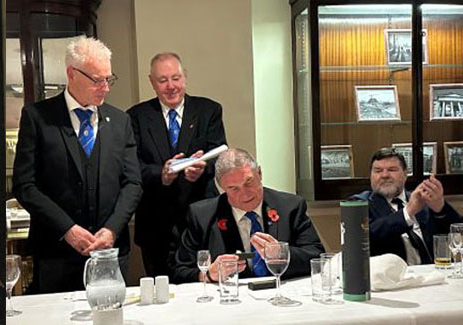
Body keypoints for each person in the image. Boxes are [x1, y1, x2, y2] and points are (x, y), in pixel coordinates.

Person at [13, 36, 142, 293]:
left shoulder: (120, 121)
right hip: (56, 252)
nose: (105, 87)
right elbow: (25, 185)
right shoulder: (38, 117)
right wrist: (68, 229)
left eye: (108, 79)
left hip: (111, 250)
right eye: (97, 80)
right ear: (72, 74)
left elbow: (133, 183)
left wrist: (112, 230)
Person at [127, 52, 227, 277]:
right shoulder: (136, 117)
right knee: (160, 294)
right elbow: (131, 167)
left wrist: (202, 169)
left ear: (185, 78)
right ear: (152, 82)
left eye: (176, 78)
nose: (171, 86)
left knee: (204, 288)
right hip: (155, 222)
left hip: (200, 218)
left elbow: (220, 157)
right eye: (163, 80)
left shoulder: (208, 110)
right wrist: (160, 174)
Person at [173, 148, 324, 283]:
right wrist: (208, 275)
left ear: (259, 173)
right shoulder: (202, 215)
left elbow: (318, 257)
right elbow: (180, 271)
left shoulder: (290, 206)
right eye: (234, 189)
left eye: (249, 182)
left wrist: (282, 254)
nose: (245, 194)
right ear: (222, 188)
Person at [350, 148, 462, 265]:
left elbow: (457, 231)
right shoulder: (359, 204)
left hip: (433, 274)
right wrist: (408, 212)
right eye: (378, 171)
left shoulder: (422, 199)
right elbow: (365, 238)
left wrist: (440, 208)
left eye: (392, 170)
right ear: (371, 175)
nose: (384, 175)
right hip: (390, 279)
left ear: (405, 174)